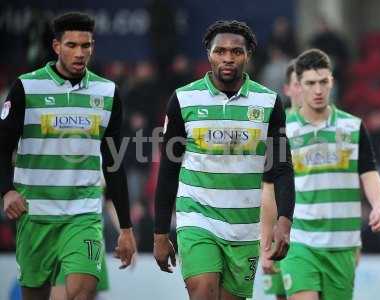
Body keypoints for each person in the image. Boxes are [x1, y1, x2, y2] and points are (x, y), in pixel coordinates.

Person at [153, 20, 295, 300]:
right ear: (208, 53)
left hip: (244, 227)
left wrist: (284, 221)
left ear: (248, 55)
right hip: (198, 218)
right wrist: (160, 233)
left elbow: (281, 168)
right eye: (220, 51)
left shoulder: (268, 102)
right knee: (202, 291)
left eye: (236, 52)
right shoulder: (184, 99)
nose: (228, 58)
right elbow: (169, 170)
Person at [0, 12, 137, 300]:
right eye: (72, 45)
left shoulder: (107, 92)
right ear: (56, 47)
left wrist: (126, 227)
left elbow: (113, 163)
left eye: (86, 46)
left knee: (83, 290)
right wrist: (7, 190)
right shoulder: (27, 87)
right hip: (35, 214)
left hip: (83, 215)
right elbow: (2, 146)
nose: (80, 53)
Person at [280, 49, 380, 300]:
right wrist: (266, 240)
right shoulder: (283, 130)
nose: (317, 90)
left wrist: (378, 206)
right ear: (299, 85)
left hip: (343, 242)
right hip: (299, 240)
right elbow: (268, 187)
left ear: (332, 82)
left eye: (323, 82)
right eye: (310, 83)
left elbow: (369, 172)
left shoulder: (353, 126)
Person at [263, 60, 302, 300]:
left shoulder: (336, 130)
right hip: (284, 230)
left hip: (317, 237)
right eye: (299, 84)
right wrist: (265, 240)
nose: (307, 90)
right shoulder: (275, 128)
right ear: (287, 88)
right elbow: (268, 187)